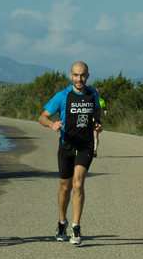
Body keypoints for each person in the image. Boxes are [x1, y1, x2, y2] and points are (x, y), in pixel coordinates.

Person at [37, 61, 102, 245]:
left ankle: (76, 227)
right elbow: (42, 116)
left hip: (85, 146)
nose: (79, 79)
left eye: (82, 75)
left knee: (78, 184)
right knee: (65, 188)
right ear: (70, 75)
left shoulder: (92, 94)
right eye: (76, 75)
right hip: (66, 146)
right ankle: (61, 223)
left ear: (87, 76)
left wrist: (97, 123)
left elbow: (96, 110)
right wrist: (52, 124)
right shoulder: (62, 96)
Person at [93, 90, 107, 157]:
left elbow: (104, 106)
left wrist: (105, 110)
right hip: (89, 120)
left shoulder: (101, 100)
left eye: (98, 92)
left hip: (97, 120)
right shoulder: (90, 98)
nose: (96, 93)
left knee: (95, 134)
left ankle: (95, 149)